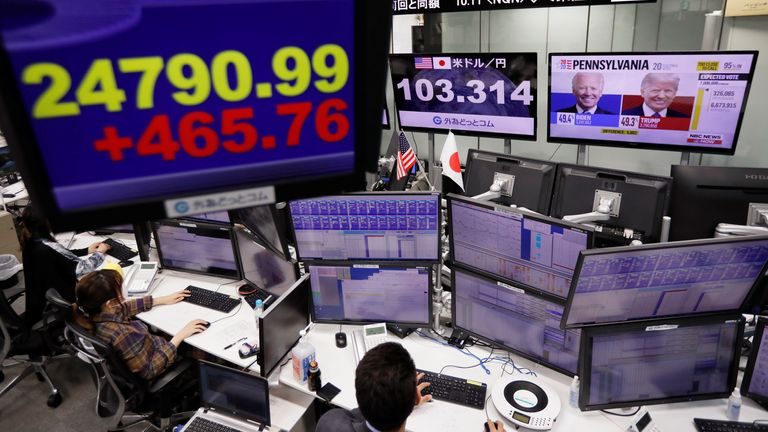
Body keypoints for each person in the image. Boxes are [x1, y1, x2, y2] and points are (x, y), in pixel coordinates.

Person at [316, 342, 505, 432]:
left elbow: (367, 408)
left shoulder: (329, 423)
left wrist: (397, 399)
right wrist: (403, 399)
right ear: (415, 399)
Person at [72, 269, 209, 380]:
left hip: (142, 350)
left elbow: (122, 308)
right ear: (110, 303)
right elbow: (150, 370)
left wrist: (161, 300)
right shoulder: (122, 334)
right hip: (155, 364)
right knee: (201, 341)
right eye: (120, 290)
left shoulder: (91, 313)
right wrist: (179, 336)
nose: (123, 294)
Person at [20, 206, 112, 326]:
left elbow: (60, 255)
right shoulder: (47, 247)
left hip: (41, 302)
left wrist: (86, 250)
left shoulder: (31, 242)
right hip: (64, 302)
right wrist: (100, 252)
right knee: (106, 283)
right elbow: (83, 268)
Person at [622, 73, 688, 117]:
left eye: (668, 91)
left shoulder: (684, 118)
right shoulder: (625, 115)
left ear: (674, 94)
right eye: (655, 90)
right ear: (642, 92)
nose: (661, 96)